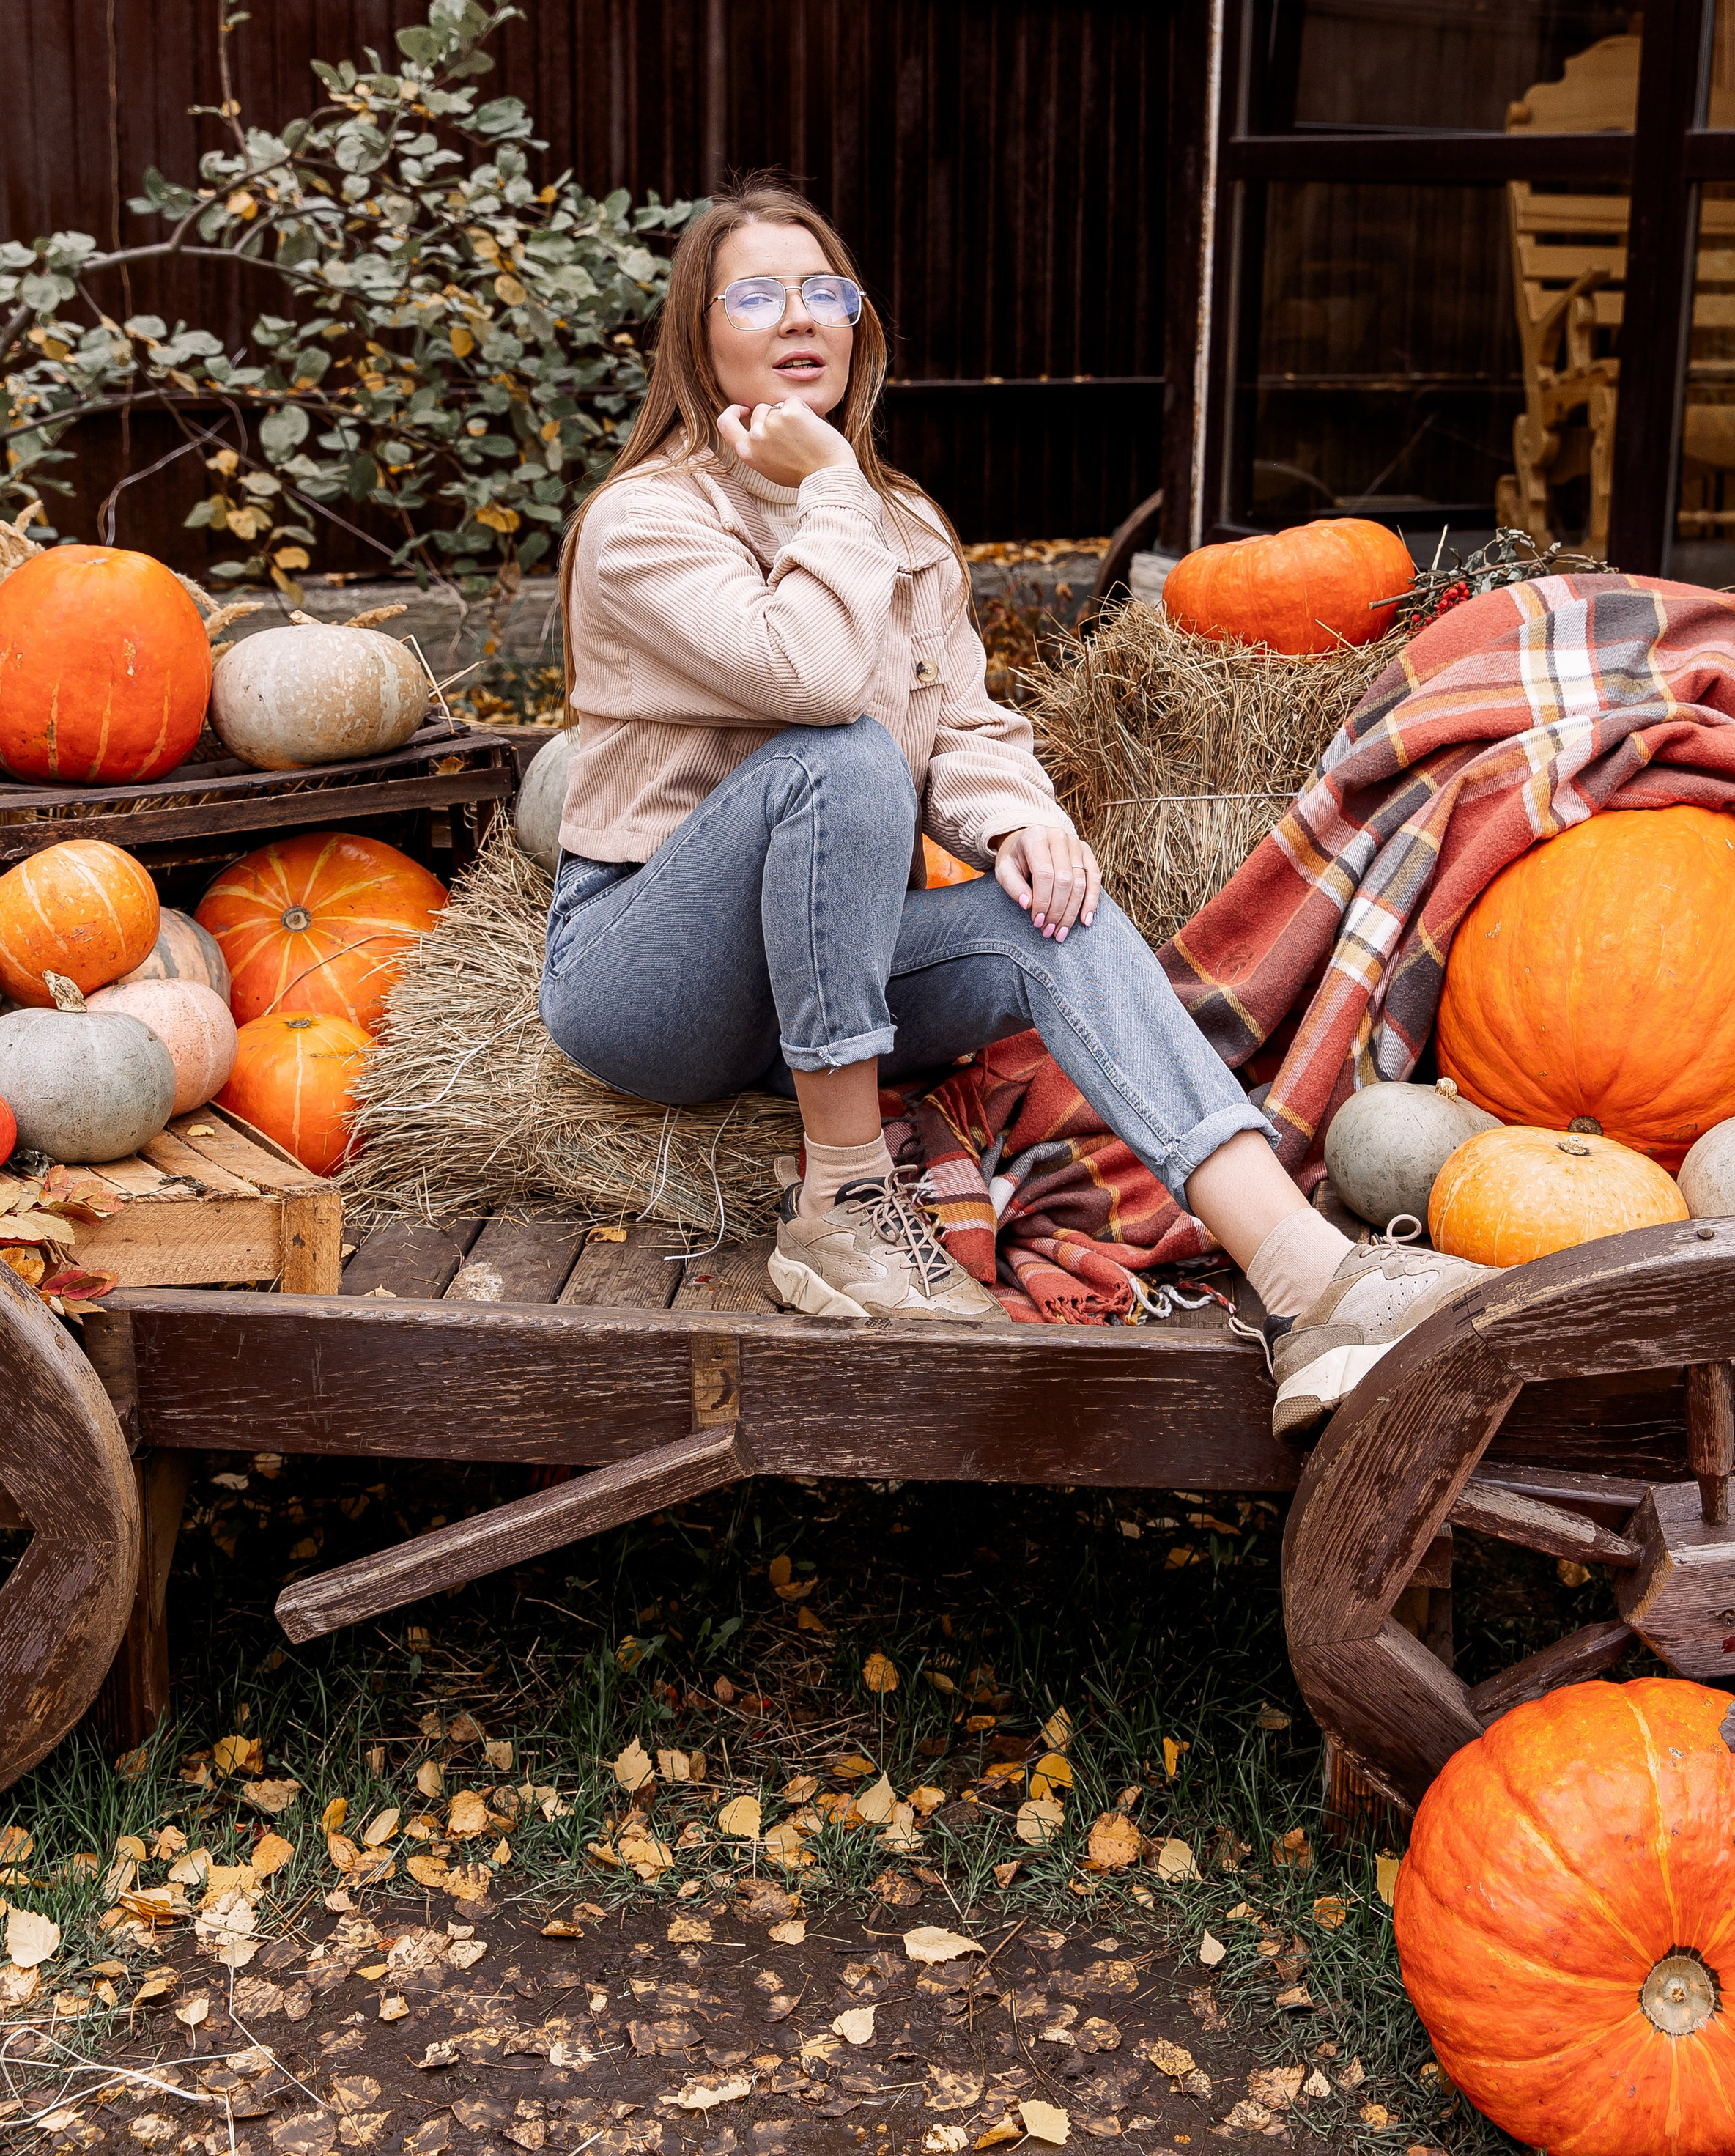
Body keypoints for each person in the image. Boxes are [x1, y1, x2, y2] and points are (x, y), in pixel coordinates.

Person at [540, 180, 1484, 1434]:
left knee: (1060, 914)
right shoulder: (648, 519)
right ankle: (842, 1207)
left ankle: (1306, 1274)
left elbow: (964, 724)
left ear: (859, 323)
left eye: (828, 291)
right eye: (758, 295)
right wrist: (829, 485)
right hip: (648, 974)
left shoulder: (906, 527)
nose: (800, 317)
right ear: (697, 336)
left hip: (823, 970)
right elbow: (819, 683)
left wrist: (1023, 819)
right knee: (844, 759)